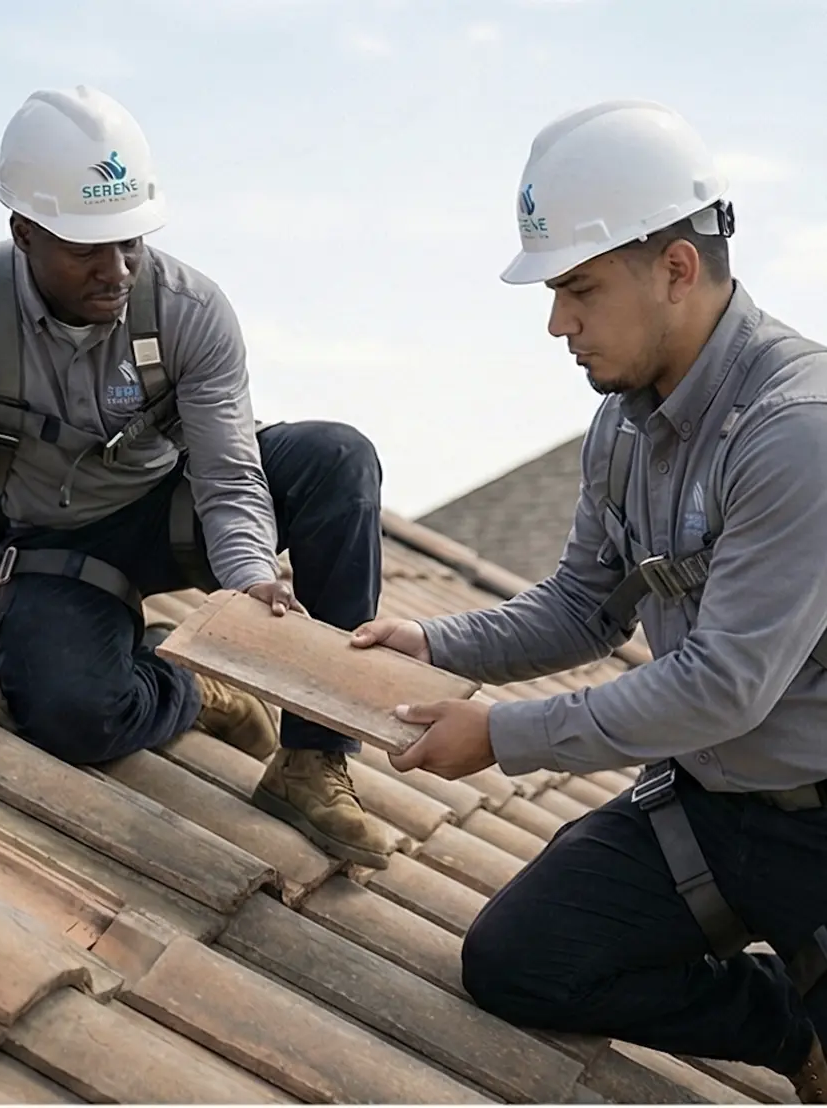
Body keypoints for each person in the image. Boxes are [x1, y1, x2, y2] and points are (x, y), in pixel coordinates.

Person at [351, 99, 827, 1098]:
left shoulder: (795, 431)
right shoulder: (622, 427)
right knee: (519, 961)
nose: (557, 322)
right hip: (708, 807)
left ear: (676, 269)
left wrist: (500, 735)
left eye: (578, 289)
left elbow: (725, 687)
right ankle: (786, 1028)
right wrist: (434, 644)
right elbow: (580, 607)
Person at [0, 85, 393, 870]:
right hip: (54, 542)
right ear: (23, 232)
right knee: (69, 715)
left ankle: (313, 762)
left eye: (130, 241)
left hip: (172, 514)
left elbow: (229, 472)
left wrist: (249, 587)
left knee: (338, 457)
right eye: (87, 247)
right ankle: (194, 689)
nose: (117, 269)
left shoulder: (188, 309)